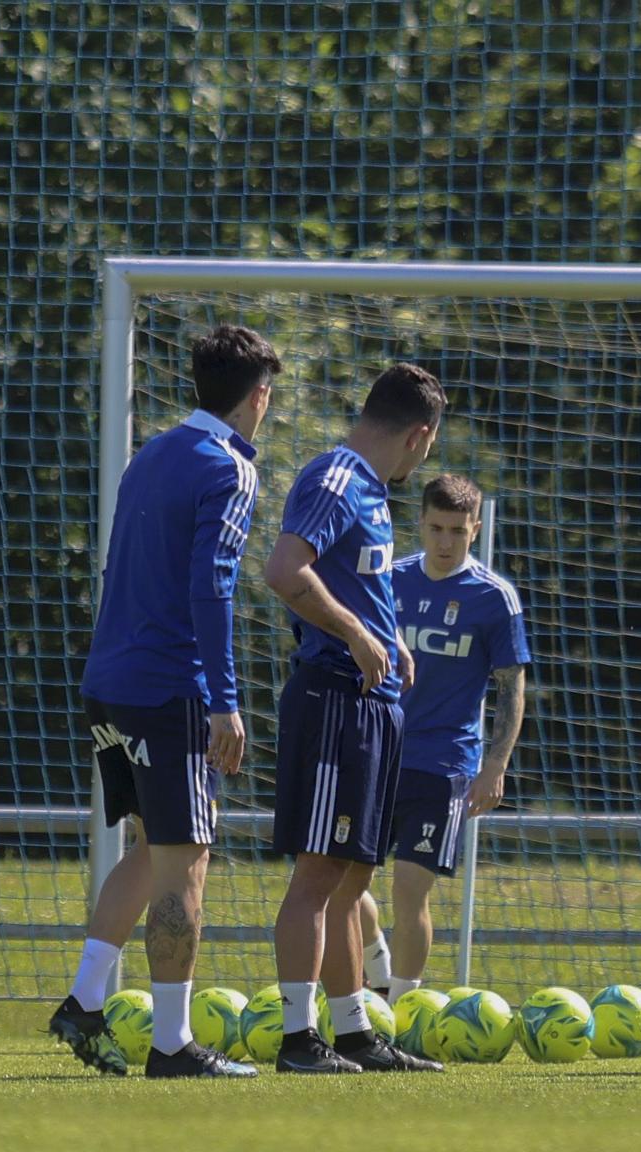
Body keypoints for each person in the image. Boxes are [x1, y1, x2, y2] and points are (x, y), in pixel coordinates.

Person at [49, 325, 280, 1078]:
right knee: (186, 864)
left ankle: (84, 1003)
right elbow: (211, 588)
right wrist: (224, 700)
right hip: (168, 690)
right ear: (258, 396)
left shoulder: (152, 452)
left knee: (153, 851)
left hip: (109, 685)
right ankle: (174, 1046)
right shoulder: (230, 469)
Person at [262, 363, 448, 1075]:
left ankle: (353, 1035)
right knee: (317, 875)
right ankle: (296, 1038)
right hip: (334, 698)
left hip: (371, 706)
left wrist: (386, 634)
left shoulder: (369, 488)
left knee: (348, 878)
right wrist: (356, 635)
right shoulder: (337, 477)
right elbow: (284, 571)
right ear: (419, 434)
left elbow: (348, 582)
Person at [354, 475, 530, 1002]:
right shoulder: (390, 580)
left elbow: (511, 688)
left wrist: (495, 765)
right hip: (377, 751)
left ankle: (404, 1010)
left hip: (443, 762)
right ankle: (378, 967)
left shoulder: (494, 598)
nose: (446, 541)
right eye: (436, 528)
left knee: (410, 890)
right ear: (420, 523)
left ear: (475, 529)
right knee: (345, 884)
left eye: (457, 530)